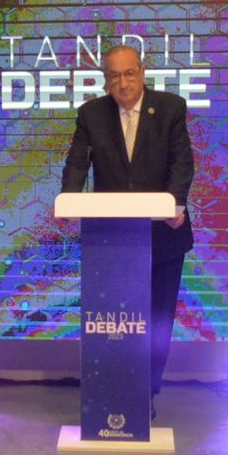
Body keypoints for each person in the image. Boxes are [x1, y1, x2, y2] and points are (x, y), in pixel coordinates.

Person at [61, 43, 195, 406]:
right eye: (114, 76)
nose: (123, 83)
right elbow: (76, 163)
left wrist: (174, 203)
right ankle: (114, 389)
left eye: (129, 73)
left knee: (156, 321)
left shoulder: (170, 108)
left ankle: (146, 392)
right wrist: (68, 197)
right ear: (106, 82)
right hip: (113, 239)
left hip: (165, 235)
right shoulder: (91, 114)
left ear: (142, 73)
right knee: (116, 320)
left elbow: (182, 162)